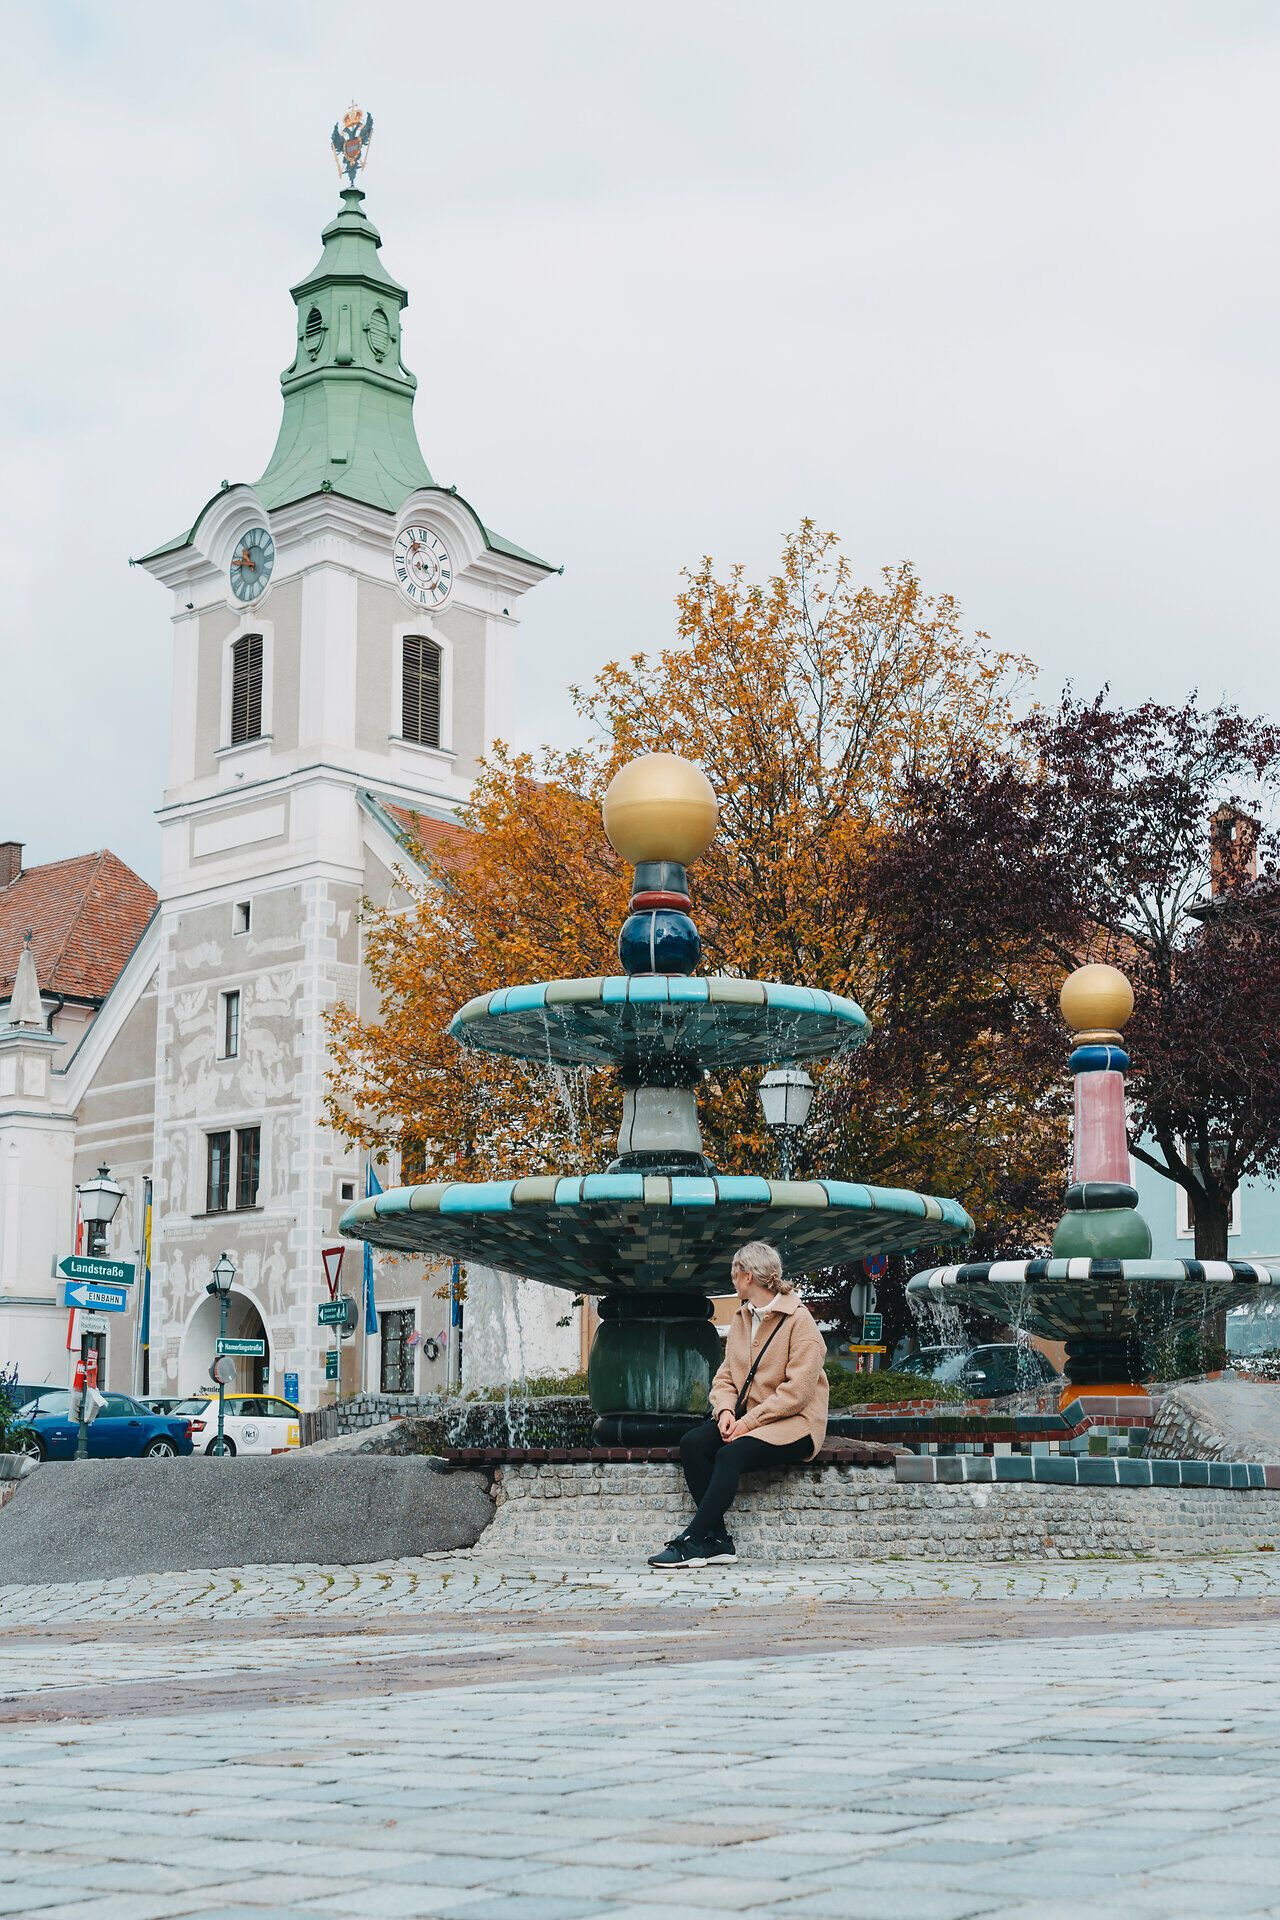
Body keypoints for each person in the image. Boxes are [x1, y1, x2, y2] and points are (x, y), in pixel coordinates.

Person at [648, 1240, 829, 1567]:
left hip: (795, 1423)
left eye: (735, 1271)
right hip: (751, 1418)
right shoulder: (743, 1317)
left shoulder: (800, 1323)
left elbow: (797, 1394)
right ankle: (718, 1542)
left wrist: (747, 1423)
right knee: (692, 1443)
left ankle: (692, 1541)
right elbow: (727, 1376)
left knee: (730, 1455)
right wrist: (726, 1411)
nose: (731, 1277)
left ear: (747, 1276)